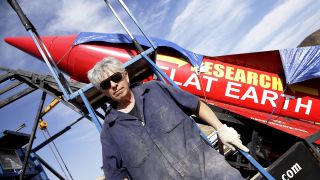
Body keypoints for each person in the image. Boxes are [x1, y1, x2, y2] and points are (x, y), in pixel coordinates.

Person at [88, 57, 249, 180]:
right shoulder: (110, 129)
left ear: (125, 76)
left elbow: (196, 105)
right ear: (103, 92)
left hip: (210, 170)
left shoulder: (155, 89)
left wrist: (221, 129)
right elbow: (114, 174)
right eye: (106, 85)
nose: (113, 85)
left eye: (115, 78)